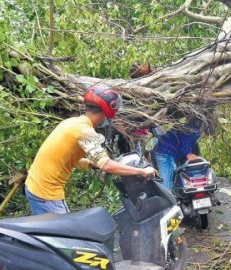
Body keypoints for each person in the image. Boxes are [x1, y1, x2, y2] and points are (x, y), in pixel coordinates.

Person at [24, 85, 156, 215]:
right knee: (68, 235)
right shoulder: (85, 131)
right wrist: (142, 171)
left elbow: (67, 158)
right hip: (47, 194)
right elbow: (107, 166)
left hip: (34, 186)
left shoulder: (72, 122)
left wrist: (91, 164)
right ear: (108, 112)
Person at [153, 119, 202, 190]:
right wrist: (188, 154)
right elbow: (185, 140)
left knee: (172, 180)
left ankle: (171, 199)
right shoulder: (192, 129)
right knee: (167, 184)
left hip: (165, 152)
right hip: (165, 153)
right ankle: (167, 200)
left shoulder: (187, 127)